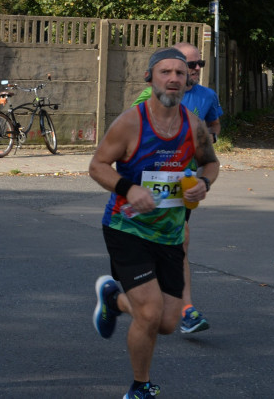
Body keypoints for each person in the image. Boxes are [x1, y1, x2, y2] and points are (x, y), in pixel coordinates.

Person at [89, 47, 220, 399]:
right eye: (166, 72)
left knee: (166, 322)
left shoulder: (194, 126)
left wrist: (204, 184)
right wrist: (128, 188)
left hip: (170, 233)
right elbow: (97, 165)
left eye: (181, 72)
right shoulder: (131, 122)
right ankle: (140, 386)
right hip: (126, 227)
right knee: (148, 313)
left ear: (189, 79)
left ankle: (114, 298)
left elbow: (211, 163)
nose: (174, 78)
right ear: (150, 78)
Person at [132, 41, 223, 334]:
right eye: (189, 64)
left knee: (180, 242)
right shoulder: (148, 96)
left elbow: (215, 126)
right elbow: (133, 131)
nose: (194, 70)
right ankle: (132, 297)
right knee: (148, 247)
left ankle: (186, 309)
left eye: (198, 65)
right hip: (146, 183)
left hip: (182, 183)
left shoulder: (206, 96)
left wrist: (206, 141)